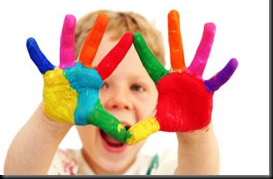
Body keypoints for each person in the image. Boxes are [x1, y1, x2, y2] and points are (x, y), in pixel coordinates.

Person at [4, 9, 238, 175]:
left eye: (137, 87)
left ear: (159, 100)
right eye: (103, 84)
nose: (120, 101)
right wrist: (50, 122)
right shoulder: (56, 165)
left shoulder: (163, 166)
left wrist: (196, 135)